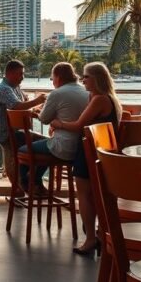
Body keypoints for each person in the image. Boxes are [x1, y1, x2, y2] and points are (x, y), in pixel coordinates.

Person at [49, 62, 122, 255]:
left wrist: (57, 123)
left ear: (97, 79)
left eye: (86, 76)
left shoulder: (99, 99)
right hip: (102, 150)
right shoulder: (104, 98)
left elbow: (79, 125)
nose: (83, 80)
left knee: (84, 194)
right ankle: (97, 233)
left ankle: (90, 238)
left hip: (91, 151)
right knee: (92, 194)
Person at [16, 62, 88, 195]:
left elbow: (44, 119)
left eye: (52, 78)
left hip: (63, 147)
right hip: (81, 149)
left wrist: (38, 111)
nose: (53, 82)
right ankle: (36, 181)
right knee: (43, 148)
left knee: (22, 149)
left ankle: (27, 183)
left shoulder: (57, 93)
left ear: (58, 77)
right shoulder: (86, 91)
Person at [0, 60, 46, 185]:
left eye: (23, 74)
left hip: (15, 131)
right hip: (7, 132)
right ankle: (30, 182)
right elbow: (16, 106)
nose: (23, 77)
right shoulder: (4, 89)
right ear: (10, 74)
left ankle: (29, 181)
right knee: (48, 145)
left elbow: (22, 103)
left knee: (42, 145)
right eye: (20, 74)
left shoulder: (14, 87)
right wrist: (37, 101)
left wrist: (33, 107)